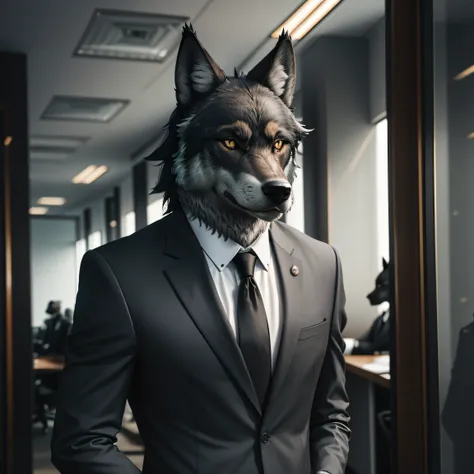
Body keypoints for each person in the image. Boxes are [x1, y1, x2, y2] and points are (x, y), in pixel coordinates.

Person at [51, 26, 350, 474]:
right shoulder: (117, 274)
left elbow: (331, 414)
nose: (273, 175)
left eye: (279, 145)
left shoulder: (323, 264)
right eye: (232, 142)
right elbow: (82, 441)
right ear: (186, 153)